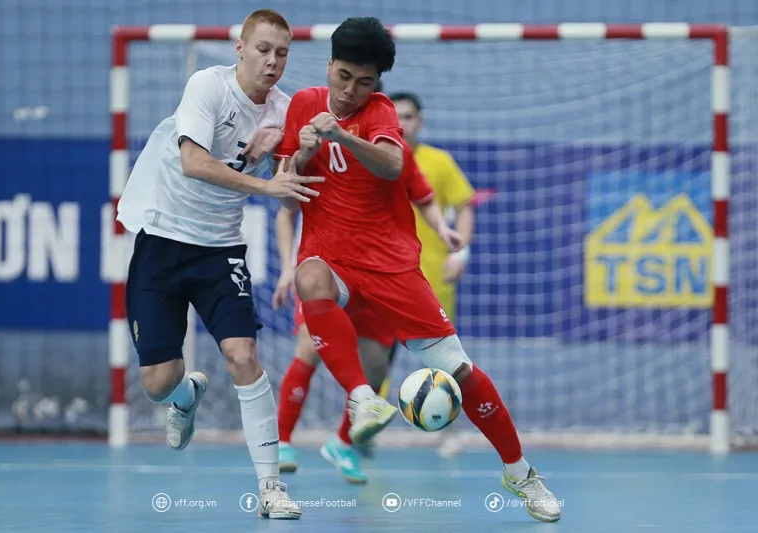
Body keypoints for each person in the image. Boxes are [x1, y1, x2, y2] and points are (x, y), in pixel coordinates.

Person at [272, 16, 561, 522]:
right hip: (331, 259)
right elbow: (284, 180)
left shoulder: (381, 113)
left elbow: (390, 164)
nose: (350, 90)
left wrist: (340, 135)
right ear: (328, 66)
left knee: (462, 372)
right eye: (343, 77)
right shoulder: (301, 105)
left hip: (391, 269)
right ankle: (358, 401)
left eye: (364, 82)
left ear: (377, 84)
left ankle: (520, 473)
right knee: (308, 279)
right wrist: (302, 153)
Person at [116, 9, 322, 520]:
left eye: (282, 53)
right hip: (163, 239)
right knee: (157, 383)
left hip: (220, 249)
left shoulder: (283, 109)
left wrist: (298, 147)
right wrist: (265, 184)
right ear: (240, 48)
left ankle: (271, 487)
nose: (272, 61)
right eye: (263, 50)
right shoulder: (207, 87)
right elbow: (194, 162)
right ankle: (187, 394)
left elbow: (302, 161)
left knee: (243, 354)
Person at [271, 139, 453, 484]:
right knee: (310, 348)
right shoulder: (323, 154)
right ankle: (282, 442)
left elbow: (424, 198)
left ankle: (342, 443)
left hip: (376, 274)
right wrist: (285, 268)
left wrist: (443, 231)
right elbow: (286, 210)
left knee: (375, 365)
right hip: (325, 271)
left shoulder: (396, 165)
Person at [384, 91, 477, 457]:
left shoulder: (439, 162)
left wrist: (462, 252)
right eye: (396, 117)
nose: (402, 123)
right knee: (376, 358)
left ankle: (447, 431)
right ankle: (362, 430)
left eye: (408, 116)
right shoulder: (376, 159)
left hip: (433, 277)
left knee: (447, 362)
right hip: (384, 277)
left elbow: (465, 205)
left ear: (419, 120)